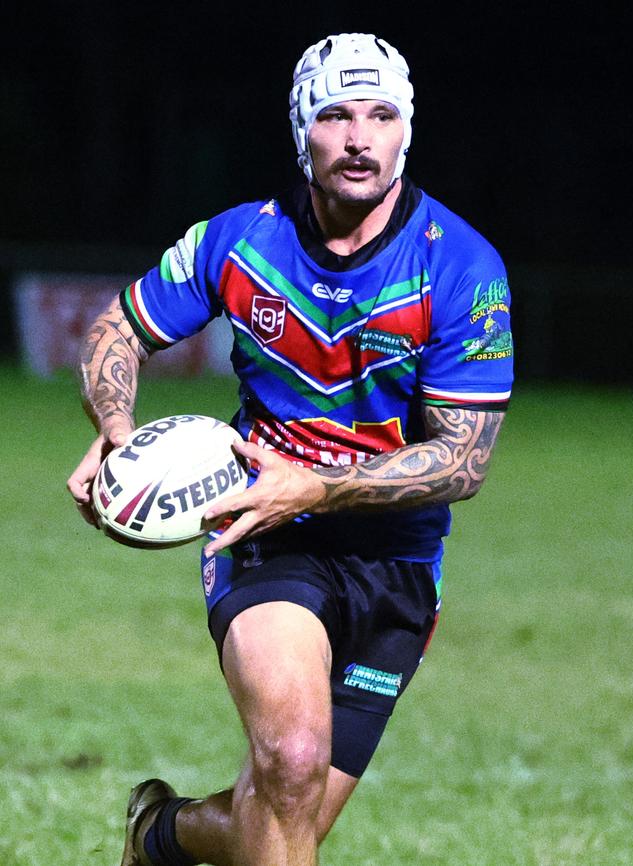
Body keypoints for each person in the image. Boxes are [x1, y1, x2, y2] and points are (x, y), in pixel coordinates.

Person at [67, 32, 513, 866]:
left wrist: (313, 486)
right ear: (300, 129)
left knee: (280, 816)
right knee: (293, 762)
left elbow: (463, 461)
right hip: (264, 534)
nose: (359, 138)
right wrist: (119, 435)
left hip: (398, 565)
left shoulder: (461, 269)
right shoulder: (239, 241)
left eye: (381, 116)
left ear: (405, 132)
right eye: (336, 115)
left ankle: (160, 839)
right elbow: (117, 331)